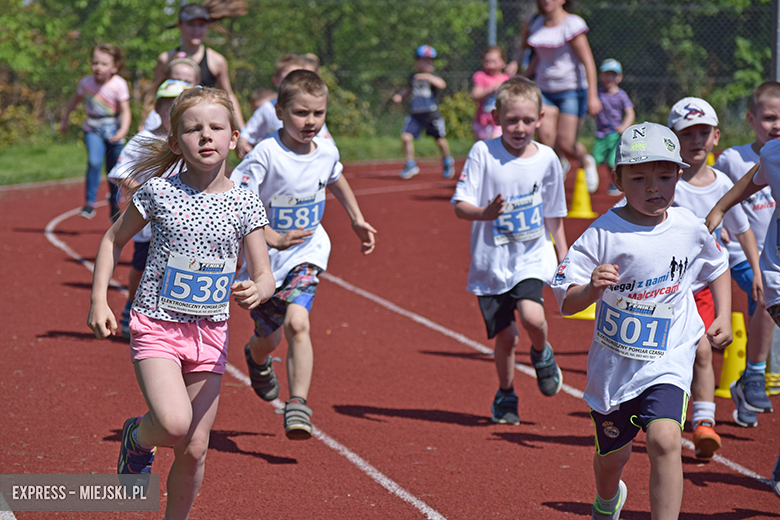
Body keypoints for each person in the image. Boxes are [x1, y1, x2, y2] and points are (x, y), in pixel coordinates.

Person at [87, 87, 275, 519]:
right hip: (156, 324)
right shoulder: (160, 192)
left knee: (194, 447)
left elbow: (263, 272)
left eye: (215, 128)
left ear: (234, 138)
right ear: (176, 143)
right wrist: (100, 300)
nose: (205, 136)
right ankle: (137, 437)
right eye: (193, 129)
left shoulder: (245, 200)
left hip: (210, 332)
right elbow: (113, 239)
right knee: (172, 425)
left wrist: (259, 289)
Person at [553, 122, 732, 520]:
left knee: (666, 439)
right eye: (639, 178)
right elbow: (565, 300)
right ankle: (606, 498)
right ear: (616, 179)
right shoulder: (602, 234)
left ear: (678, 177)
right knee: (611, 461)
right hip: (615, 368)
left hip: (668, 356)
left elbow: (717, 265)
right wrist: (590, 289)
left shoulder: (687, 226)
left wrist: (722, 313)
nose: (654, 188)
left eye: (665, 177)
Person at [230, 70, 376, 439]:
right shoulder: (265, 155)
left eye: (318, 113)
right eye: (301, 113)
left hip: (307, 253)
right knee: (270, 337)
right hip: (265, 262)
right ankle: (256, 357)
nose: (310, 122)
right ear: (279, 112)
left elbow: (335, 177)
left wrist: (357, 219)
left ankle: (298, 405)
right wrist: (271, 237)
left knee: (298, 323)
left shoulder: (326, 151)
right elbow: (238, 205)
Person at [451, 77, 567, 424]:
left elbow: (554, 214)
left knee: (532, 318)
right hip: (492, 262)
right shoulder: (483, 153)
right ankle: (506, 394)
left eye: (527, 120)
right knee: (506, 337)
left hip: (531, 256)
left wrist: (564, 259)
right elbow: (460, 204)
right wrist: (483, 213)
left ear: (540, 118)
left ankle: (542, 352)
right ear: (496, 117)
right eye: (512, 120)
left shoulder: (547, 159)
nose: (520, 128)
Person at [667, 96, 761, 458]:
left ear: (716, 137)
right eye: (687, 133)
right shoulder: (664, 180)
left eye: (703, 132)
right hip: (665, 291)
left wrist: (756, 270)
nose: (696, 140)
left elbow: (743, 231)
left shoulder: (722, 183)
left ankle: (704, 424)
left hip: (702, 288)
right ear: (673, 139)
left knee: (703, 350)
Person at [706, 139, 780, 500]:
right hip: (778, 273)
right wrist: (719, 209)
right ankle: (753, 374)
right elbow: (754, 180)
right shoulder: (774, 153)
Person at [713, 81, 780, 426]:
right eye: (769, 118)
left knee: (765, 309)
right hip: (740, 252)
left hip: (772, 253)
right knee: (766, 302)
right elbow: (718, 191)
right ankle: (754, 375)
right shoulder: (733, 158)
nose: (777, 125)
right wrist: (720, 217)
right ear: (751, 118)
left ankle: (745, 388)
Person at [108, 79, 191, 338]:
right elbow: (119, 172)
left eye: (178, 109)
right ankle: (131, 306)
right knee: (141, 267)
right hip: (149, 223)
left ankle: (173, 321)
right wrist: (147, 195)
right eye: (167, 108)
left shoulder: (192, 139)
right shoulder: (144, 139)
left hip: (184, 222)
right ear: (157, 108)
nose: (171, 115)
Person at [507, 0, 601, 192]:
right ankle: (554, 170)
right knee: (545, 136)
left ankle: (586, 161)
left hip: (571, 90)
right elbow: (535, 57)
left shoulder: (572, 24)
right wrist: (519, 75)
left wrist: (593, 96)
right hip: (544, 89)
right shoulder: (536, 23)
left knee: (566, 143)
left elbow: (588, 62)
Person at [59, 43, 131, 220]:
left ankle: (114, 202)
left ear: (114, 67)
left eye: (104, 64)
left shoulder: (119, 84)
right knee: (94, 161)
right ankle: (90, 203)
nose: (98, 67)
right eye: (95, 63)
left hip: (113, 129)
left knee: (114, 170)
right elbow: (74, 100)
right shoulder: (86, 82)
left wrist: (123, 130)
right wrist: (65, 118)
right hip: (93, 128)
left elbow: (125, 110)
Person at [154, 2, 245, 128]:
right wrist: (144, 122)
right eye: (191, 25)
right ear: (179, 26)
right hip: (171, 125)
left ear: (207, 27)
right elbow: (154, 93)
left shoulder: (217, 61)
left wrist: (242, 130)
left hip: (204, 125)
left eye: (201, 25)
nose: (196, 30)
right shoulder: (166, 59)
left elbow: (228, 95)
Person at [236, 53, 333, 159]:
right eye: (288, 78)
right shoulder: (267, 108)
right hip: (276, 159)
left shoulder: (311, 113)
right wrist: (243, 142)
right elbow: (248, 130)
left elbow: (327, 141)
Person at [392, 45, 455, 180]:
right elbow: (409, 89)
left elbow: (442, 84)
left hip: (431, 114)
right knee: (405, 137)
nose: (428, 63)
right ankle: (410, 164)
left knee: (439, 140)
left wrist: (427, 76)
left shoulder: (432, 77)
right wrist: (400, 96)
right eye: (424, 60)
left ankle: (447, 160)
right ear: (416, 62)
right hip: (416, 114)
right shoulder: (413, 77)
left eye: (430, 61)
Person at [593, 59, 634, 196]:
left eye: (613, 74)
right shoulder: (597, 93)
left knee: (612, 160)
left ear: (619, 77)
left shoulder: (621, 95)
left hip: (615, 133)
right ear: (601, 75)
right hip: (600, 134)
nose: (609, 78)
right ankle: (592, 181)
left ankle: (615, 183)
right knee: (596, 159)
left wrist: (624, 126)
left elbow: (630, 112)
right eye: (606, 74)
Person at [140, 57, 200, 132]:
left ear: (197, 83)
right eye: (176, 80)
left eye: (187, 82)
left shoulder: (203, 110)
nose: (181, 86)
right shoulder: (157, 115)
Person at [471, 46, 510, 141]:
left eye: (494, 62)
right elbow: (475, 96)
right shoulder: (480, 76)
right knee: (482, 147)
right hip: (482, 121)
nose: (490, 65)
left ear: (503, 63)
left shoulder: (506, 79)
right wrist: (491, 90)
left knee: (495, 145)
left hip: (499, 122)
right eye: (487, 62)